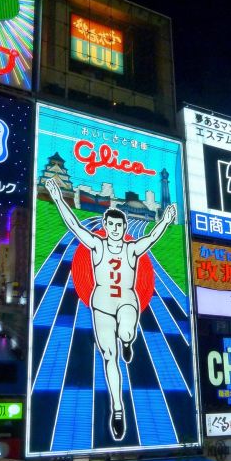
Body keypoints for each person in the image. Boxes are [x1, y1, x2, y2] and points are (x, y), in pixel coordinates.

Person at [45, 177, 176, 441]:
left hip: (127, 301)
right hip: (102, 305)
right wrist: (58, 198)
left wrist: (165, 220)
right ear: (105, 226)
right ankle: (118, 409)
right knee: (109, 356)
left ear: (124, 227)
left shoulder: (131, 248)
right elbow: (74, 226)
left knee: (127, 333)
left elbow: (151, 237)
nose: (115, 228)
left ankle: (128, 341)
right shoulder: (96, 245)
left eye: (119, 224)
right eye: (111, 224)